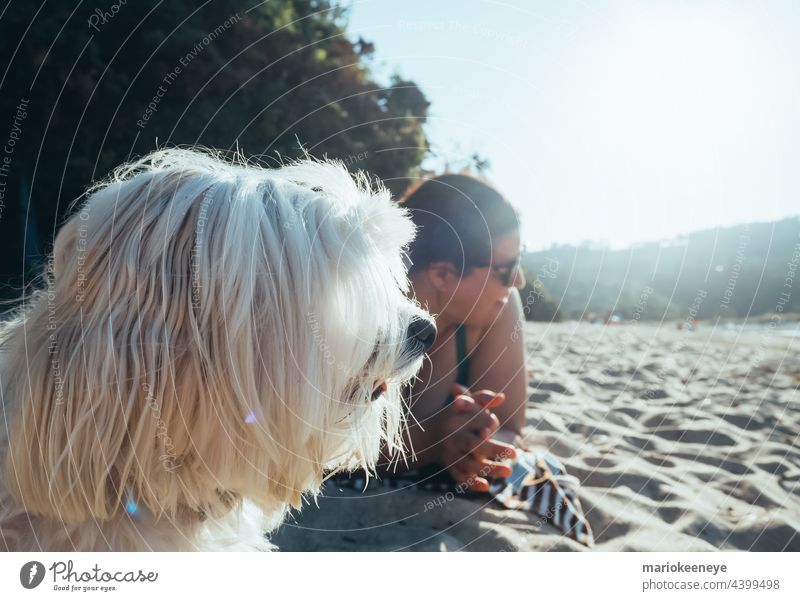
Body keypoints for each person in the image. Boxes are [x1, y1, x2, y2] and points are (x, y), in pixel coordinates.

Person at [377, 173, 529, 492]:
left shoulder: (497, 308)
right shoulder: (365, 321)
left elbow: (510, 426)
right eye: (507, 270)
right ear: (443, 273)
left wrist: (477, 447)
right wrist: (434, 441)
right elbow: (321, 445)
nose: (518, 282)